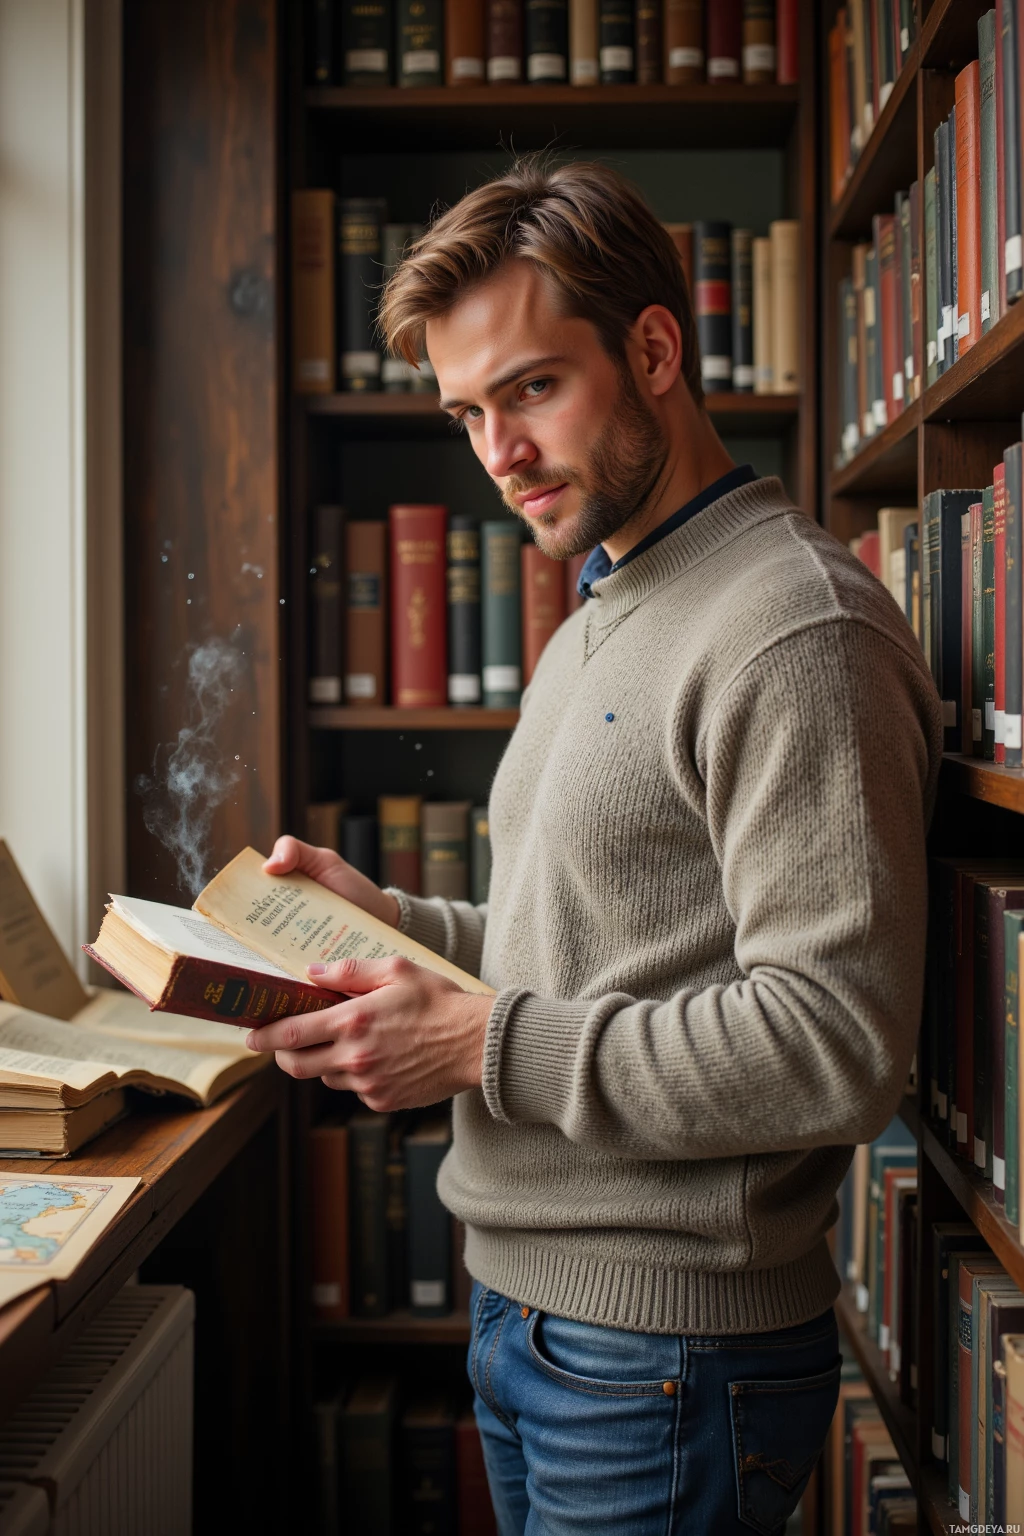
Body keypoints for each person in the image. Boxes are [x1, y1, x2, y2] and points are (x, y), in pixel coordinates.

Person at [247, 158, 943, 1533]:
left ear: (656, 348)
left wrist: (479, 1045)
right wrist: (377, 924)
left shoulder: (791, 629)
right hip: (533, 1320)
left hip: (666, 1359)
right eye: (465, 412)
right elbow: (591, 942)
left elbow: (836, 1041)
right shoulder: (611, 605)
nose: (498, 450)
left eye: (531, 389)